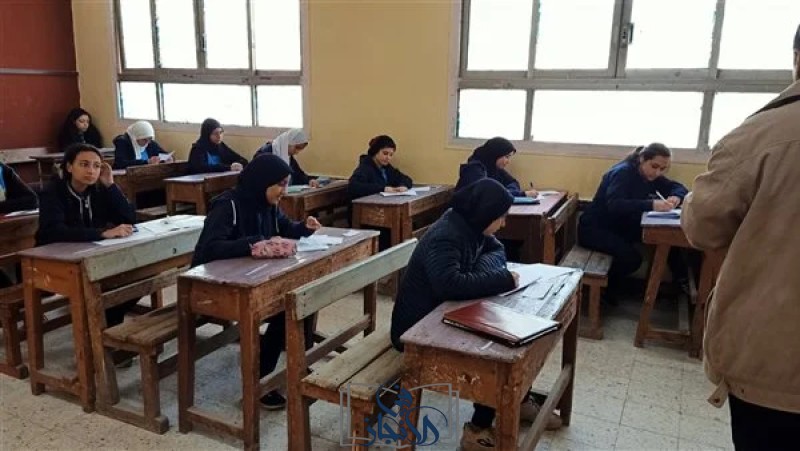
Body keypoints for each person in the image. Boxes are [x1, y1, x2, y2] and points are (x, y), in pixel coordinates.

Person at [680, 24, 800, 451]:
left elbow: (701, 227)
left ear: (796, 59)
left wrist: (685, 200)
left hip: (775, 360)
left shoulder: (767, 134)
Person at [390, 178, 561, 450]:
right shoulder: (447, 235)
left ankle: (519, 399)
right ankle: (477, 430)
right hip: (416, 328)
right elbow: (451, 284)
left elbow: (497, 250)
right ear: (485, 213)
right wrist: (501, 279)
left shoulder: (471, 225)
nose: (503, 224)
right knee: (496, 352)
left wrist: (477, 273)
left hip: (444, 313)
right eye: (500, 217)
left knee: (512, 337)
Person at [191, 154, 321, 409]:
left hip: (248, 280)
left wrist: (305, 227)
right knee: (287, 308)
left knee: (301, 298)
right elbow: (210, 249)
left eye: (286, 184)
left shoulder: (267, 203)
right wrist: (253, 243)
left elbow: (285, 227)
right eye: (280, 184)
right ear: (262, 181)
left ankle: (298, 364)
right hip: (213, 288)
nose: (284, 191)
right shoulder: (227, 205)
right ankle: (261, 381)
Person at [36, 143, 137, 329]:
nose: (91, 171)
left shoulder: (98, 190)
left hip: (91, 254)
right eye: (84, 164)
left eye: (96, 166)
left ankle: (107, 324)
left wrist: (110, 185)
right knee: (116, 282)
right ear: (69, 167)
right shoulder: (53, 192)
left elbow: (129, 218)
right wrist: (101, 233)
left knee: (140, 275)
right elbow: (54, 231)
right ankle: (104, 326)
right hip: (57, 260)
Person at [578, 143, 689, 301]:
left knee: (667, 239)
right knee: (631, 259)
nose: (658, 172)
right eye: (654, 166)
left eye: (663, 169)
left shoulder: (650, 175)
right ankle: (605, 291)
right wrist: (652, 205)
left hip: (618, 226)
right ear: (642, 159)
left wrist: (676, 196)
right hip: (595, 229)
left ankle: (684, 283)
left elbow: (677, 187)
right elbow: (615, 205)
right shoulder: (622, 173)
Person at [455, 137, 538, 197]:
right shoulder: (473, 169)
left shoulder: (494, 168)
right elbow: (489, 194)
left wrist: (508, 192)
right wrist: (522, 194)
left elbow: (513, 182)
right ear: (496, 154)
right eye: (506, 157)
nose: (508, 161)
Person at [347, 135, 412, 198]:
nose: (388, 158)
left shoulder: (387, 168)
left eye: (391, 155)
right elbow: (354, 186)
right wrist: (383, 188)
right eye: (385, 153)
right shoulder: (365, 168)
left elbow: (406, 179)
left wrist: (404, 186)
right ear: (375, 151)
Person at [254, 128, 318, 187]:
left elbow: (298, 174)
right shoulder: (266, 153)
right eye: (297, 147)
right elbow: (259, 177)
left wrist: (309, 181)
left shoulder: (288, 157)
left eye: (300, 149)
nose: (297, 152)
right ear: (289, 142)